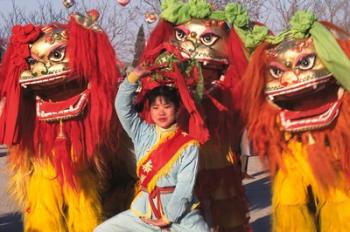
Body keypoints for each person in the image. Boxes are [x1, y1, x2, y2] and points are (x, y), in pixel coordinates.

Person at [94, 65, 209, 232]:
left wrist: (168, 217)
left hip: (181, 215)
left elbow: (185, 186)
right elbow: (122, 108)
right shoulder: (142, 132)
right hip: (145, 211)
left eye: (166, 106)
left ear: (177, 109)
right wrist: (132, 78)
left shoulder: (188, 145)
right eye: (155, 107)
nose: (161, 112)